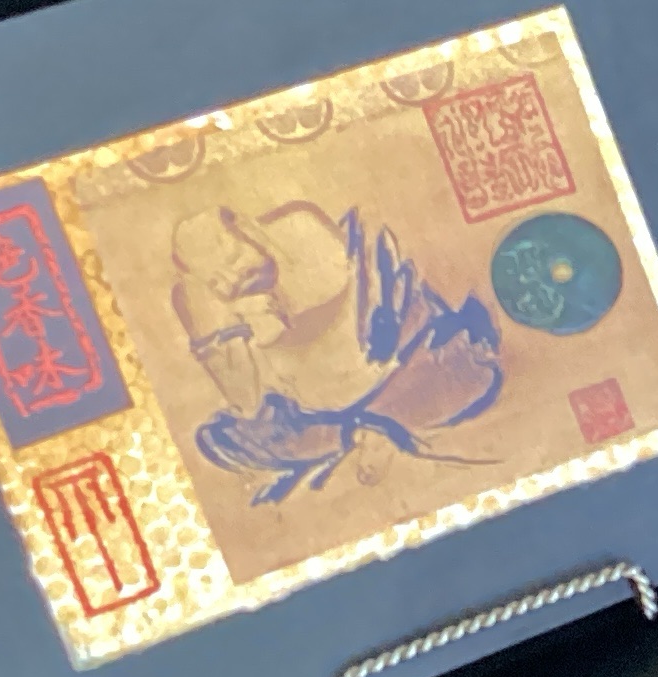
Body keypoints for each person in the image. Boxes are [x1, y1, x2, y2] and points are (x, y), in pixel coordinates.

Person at [171, 201, 504, 502]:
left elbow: (348, 310)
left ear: (248, 228)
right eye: (216, 281)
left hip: (390, 367)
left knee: (469, 368)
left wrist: (271, 315)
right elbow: (248, 404)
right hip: (316, 411)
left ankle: (367, 427)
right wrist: (226, 328)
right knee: (222, 440)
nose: (232, 279)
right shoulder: (199, 300)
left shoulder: (299, 227)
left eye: (233, 259)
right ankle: (368, 428)